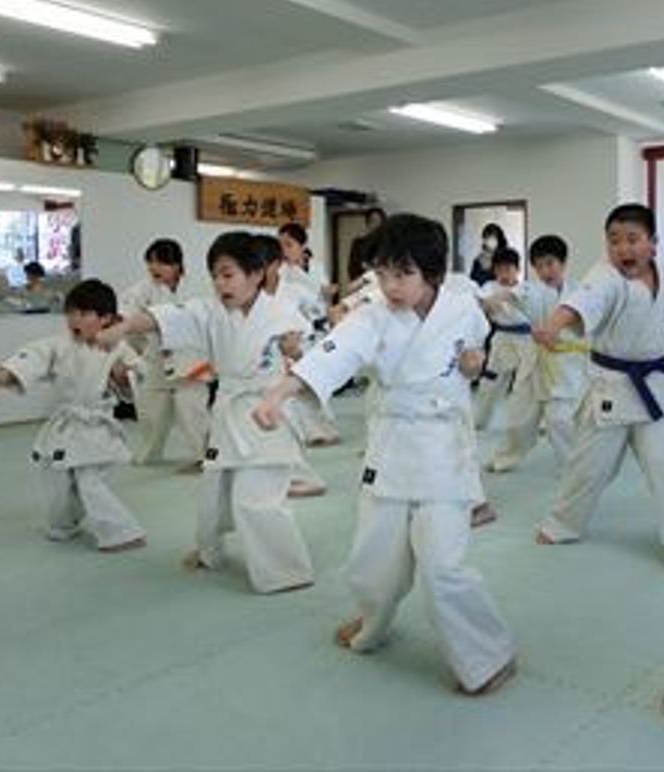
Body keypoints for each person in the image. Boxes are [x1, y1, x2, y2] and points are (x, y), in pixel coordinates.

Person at [252, 213, 516, 695]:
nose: (391, 285)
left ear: (433, 272)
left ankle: (487, 653)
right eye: (383, 273)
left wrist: (476, 363)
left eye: (403, 274)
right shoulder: (371, 316)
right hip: (392, 445)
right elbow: (333, 354)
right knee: (373, 562)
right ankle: (373, 620)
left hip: (443, 451)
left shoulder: (462, 306)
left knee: (443, 565)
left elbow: (477, 342)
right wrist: (278, 393)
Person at [98, 232, 314, 595]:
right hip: (229, 408)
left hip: (266, 411)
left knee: (255, 496)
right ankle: (210, 552)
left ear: (256, 273)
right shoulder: (209, 309)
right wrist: (121, 327)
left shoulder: (282, 313)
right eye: (215, 275)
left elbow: (308, 354)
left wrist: (295, 348)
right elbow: (160, 318)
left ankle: (286, 571)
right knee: (214, 492)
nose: (219, 283)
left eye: (228, 274)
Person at [532, 203, 664, 569]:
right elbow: (582, 301)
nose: (623, 249)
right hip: (612, 388)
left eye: (632, 239)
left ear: (653, 243)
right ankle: (563, 523)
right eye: (614, 241)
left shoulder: (663, 272)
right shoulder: (605, 276)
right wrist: (554, 323)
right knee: (589, 467)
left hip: (656, 384)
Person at [0, 279, 146, 552]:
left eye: (84, 314)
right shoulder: (57, 345)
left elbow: (139, 374)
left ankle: (123, 532)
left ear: (105, 318)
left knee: (90, 481)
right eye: (71, 312)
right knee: (58, 480)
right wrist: (8, 373)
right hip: (67, 424)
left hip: (97, 425)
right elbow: (33, 357)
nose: (74, 319)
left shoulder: (117, 346)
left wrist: (123, 375)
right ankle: (63, 524)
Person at [486, 235, 587, 475]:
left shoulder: (578, 292)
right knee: (518, 420)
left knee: (560, 421)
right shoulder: (532, 289)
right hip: (533, 365)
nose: (545, 271)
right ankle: (506, 458)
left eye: (550, 263)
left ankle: (575, 468)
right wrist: (495, 298)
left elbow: (585, 325)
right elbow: (513, 294)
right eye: (539, 266)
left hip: (564, 368)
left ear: (563, 263)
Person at [119, 239, 211, 472]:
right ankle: (150, 453)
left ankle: (205, 457)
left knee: (192, 410)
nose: (154, 268)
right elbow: (127, 321)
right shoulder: (142, 290)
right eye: (150, 262)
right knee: (151, 413)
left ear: (177, 265)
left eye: (161, 263)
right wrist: (136, 353)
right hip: (155, 360)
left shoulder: (199, 287)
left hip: (192, 359)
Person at [252, 233, 331, 497]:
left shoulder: (295, 290)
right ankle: (284, 473)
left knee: (292, 417)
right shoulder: (250, 296)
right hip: (265, 367)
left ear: (276, 264)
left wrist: (301, 341)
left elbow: (320, 313)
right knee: (276, 421)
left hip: (298, 357)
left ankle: (304, 475)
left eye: (261, 263)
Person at [473, 247, 534, 431]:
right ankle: (480, 421)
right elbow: (482, 306)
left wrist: (494, 301)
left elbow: (498, 300)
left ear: (518, 269)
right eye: (499, 270)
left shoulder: (526, 288)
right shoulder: (489, 287)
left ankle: (533, 423)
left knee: (529, 384)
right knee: (490, 381)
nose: (503, 274)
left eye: (508, 269)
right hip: (502, 337)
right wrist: (487, 303)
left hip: (528, 339)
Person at [346, 207, 387, 284]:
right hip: (362, 283)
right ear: (367, 223)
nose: (376, 225)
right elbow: (352, 268)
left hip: (382, 284)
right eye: (373, 221)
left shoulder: (389, 244)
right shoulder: (358, 243)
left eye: (379, 221)